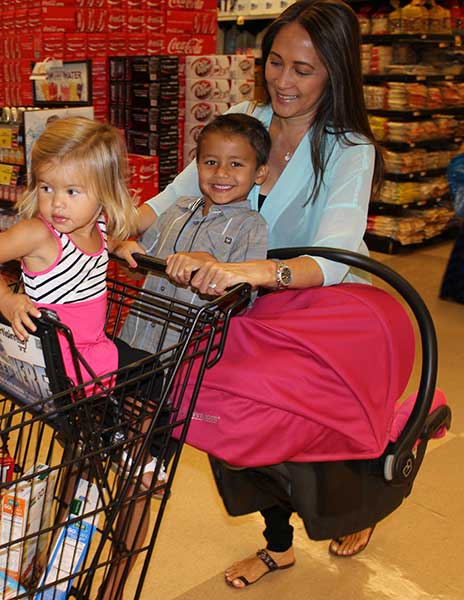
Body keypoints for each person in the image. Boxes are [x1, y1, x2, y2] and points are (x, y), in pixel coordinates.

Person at [124, 0, 384, 589]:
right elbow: (174, 195)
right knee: (232, 427)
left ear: (335, 73)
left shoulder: (348, 148)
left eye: (303, 69)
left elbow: (336, 252)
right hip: (234, 296)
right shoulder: (246, 118)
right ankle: (280, 544)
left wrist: (255, 271)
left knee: (303, 432)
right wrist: (119, 225)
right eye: (275, 62)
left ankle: (357, 501)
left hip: (311, 300)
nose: (283, 81)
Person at [0, 115, 159, 600]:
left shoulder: (94, 226)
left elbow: (104, 242)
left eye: (73, 192)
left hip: (88, 352)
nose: (56, 203)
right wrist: (7, 301)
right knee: (152, 372)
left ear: (103, 193)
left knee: (134, 370)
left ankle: (116, 436)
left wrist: (123, 244)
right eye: (48, 188)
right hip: (64, 364)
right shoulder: (38, 234)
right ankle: (135, 450)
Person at [116, 113, 271, 354]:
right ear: (196, 165)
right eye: (210, 162)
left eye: (236, 164)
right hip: (135, 334)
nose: (221, 172)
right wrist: (127, 252)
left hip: (185, 354)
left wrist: (213, 274)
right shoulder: (176, 209)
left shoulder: (252, 226)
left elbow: (242, 301)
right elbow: (138, 269)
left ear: (259, 173)